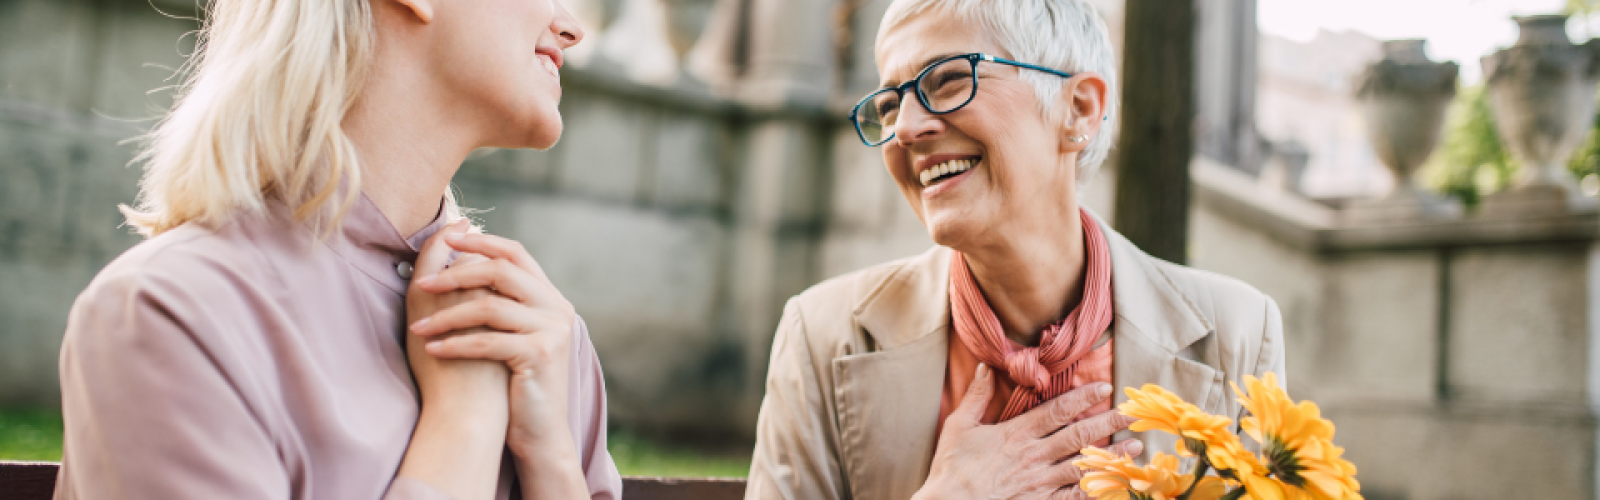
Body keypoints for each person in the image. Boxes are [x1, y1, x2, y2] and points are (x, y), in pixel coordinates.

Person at [52, 0, 620, 498]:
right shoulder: (171, 314)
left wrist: (553, 463)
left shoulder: (541, 333)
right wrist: (465, 422)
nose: (571, 27)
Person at [744, 0, 1286, 499]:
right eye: (888, 105)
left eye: (949, 79)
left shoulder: (1237, 335)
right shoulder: (821, 338)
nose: (904, 129)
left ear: (1079, 109)